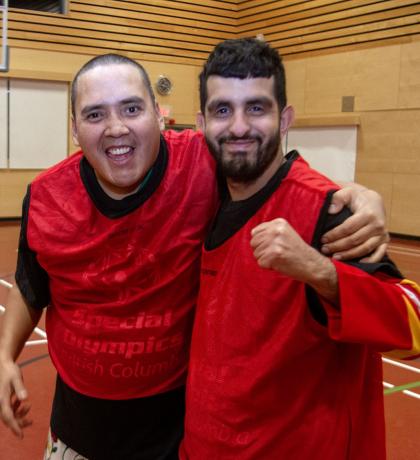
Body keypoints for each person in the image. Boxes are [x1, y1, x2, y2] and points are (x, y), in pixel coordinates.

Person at [0, 53, 389, 460]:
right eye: (94, 115)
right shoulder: (46, 196)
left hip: (176, 433)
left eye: (132, 108)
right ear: (75, 130)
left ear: (158, 114)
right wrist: (6, 356)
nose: (116, 128)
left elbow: (273, 177)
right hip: (77, 428)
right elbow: (31, 282)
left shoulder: (201, 163)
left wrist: (352, 195)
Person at [179, 38, 420, 460]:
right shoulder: (207, 193)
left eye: (256, 107)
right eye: (222, 110)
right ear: (201, 123)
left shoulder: (327, 210)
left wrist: (322, 273)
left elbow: (414, 322)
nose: (238, 127)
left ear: (284, 117)